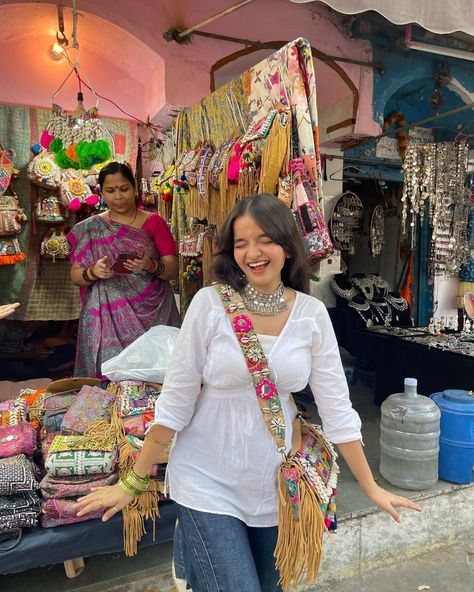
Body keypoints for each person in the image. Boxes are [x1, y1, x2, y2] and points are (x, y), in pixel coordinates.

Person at [76, 193, 420, 591]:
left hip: (276, 484)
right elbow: (176, 402)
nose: (252, 253)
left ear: (288, 247)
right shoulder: (209, 304)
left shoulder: (312, 316)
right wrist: (132, 483)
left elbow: (338, 410)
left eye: (264, 240)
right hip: (206, 480)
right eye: (240, 244)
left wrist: (370, 485)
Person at [68, 161, 181, 378]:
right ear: (102, 192)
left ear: (135, 188)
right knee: (108, 376)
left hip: (153, 313)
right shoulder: (89, 228)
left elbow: (173, 270)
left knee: (157, 373)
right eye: (110, 190)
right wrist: (93, 272)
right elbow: (76, 275)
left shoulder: (154, 223)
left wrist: (150, 265)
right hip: (106, 313)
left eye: (124, 189)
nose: (118, 196)